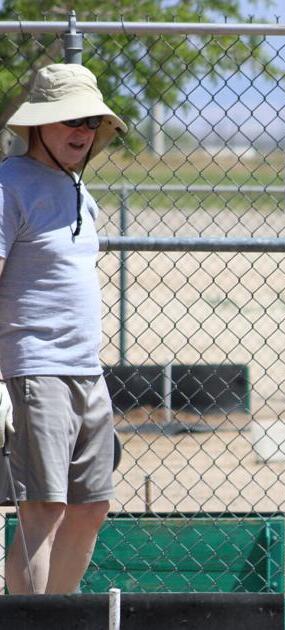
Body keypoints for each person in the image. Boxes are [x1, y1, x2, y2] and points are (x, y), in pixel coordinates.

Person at [0, 63, 127, 593]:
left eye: (92, 122)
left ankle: (61, 618)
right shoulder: (9, 184)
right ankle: (29, 623)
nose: (83, 131)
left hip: (85, 370)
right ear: (38, 125)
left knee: (91, 506)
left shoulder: (75, 186)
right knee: (42, 511)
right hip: (34, 369)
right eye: (70, 120)